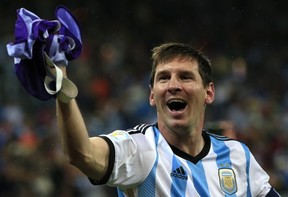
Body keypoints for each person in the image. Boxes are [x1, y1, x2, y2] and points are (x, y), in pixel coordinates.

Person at [56, 42, 280, 196]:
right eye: (164, 78)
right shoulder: (140, 149)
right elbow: (81, 153)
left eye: (185, 76)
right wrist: (60, 79)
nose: (173, 85)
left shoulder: (237, 155)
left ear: (209, 93)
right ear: (152, 95)